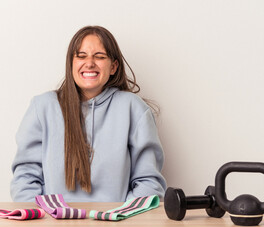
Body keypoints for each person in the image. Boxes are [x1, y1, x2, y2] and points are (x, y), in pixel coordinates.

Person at [10, 26, 166, 202]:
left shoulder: (134, 109)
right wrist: (47, 220)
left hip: (117, 225)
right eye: (81, 56)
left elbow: (149, 183)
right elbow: (25, 181)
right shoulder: (42, 107)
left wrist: (121, 218)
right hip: (53, 225)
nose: (90, 63)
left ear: (113, 66)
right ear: (71, 64)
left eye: (99, 57)